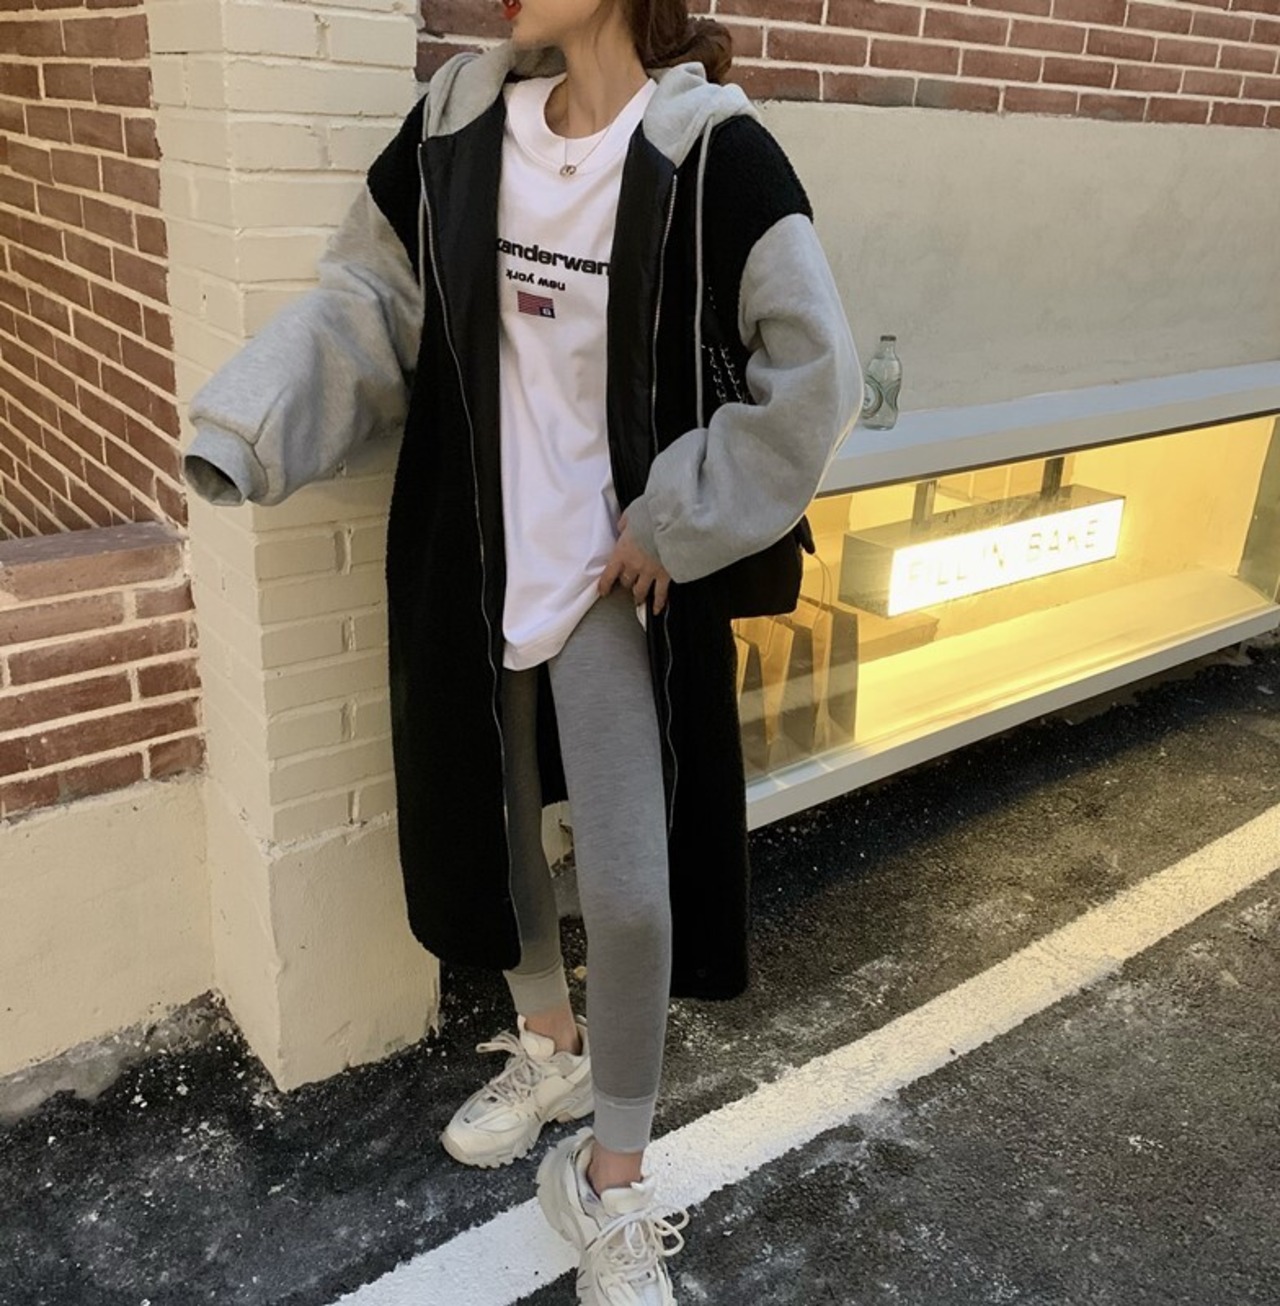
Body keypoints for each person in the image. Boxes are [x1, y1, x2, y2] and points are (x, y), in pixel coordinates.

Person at [182, 0, 861, 1300]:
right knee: (494, 829)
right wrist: (251, 425)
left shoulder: (714, 151)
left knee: (635, 887)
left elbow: (810, 375)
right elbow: (371, 305)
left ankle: (612, 1177)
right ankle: (549, 1044)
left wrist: (674, 516)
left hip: (614, 577)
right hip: (477, 552)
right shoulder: (453, 126)